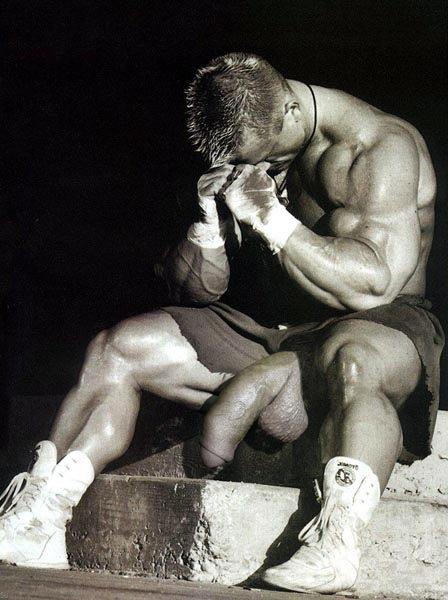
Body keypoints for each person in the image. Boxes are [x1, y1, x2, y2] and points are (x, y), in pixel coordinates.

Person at [0, 53, 444, 593]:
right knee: (118, 347)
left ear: (289, 111)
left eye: (266, 156)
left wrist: (270, 218)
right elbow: (197, 291)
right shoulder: (249, 152)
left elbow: (372, 285)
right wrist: (207, 227)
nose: (259, 169)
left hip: (375, 326)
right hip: (272, 328)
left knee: (353, 360)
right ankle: (40, 515)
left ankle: (337, 543)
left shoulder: (377, 149)